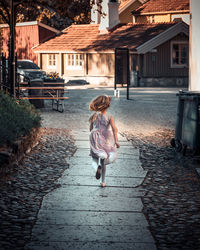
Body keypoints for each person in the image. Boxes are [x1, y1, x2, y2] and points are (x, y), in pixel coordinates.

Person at [89, 95, 120, 187]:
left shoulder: (94, 116)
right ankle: (102, 182)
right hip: (106, 137)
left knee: (94, 158)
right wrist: (116, 141)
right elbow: (114, 129)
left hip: (94, 136)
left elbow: (90, 128)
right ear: (108, 105)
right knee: (104, 160)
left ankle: (96, 169)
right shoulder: (110, 116)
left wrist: (94, 133)